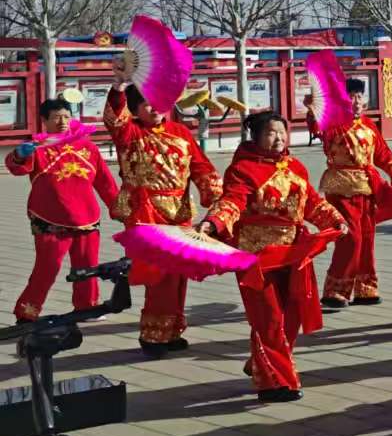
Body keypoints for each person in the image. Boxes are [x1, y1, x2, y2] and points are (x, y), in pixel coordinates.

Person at [201, 112, 346, 401]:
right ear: (256, 137)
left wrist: (335, 220)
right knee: (267, 317)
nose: (279, 138)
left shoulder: (295, 166)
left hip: (293, 253)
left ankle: (261, 362)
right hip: (256, 256)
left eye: (282, 132)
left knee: (292, 314)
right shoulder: (242, 169)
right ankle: (274, 382)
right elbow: (232, 201)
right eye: (271, 133)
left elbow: (312, 203)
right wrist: (213, 222)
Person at [104, 83, 222, 356]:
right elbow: (114, 119)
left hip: (178, 212)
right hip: (145, 212)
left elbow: (200, 166)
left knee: (178, 273)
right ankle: (153, 335)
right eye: (146, 103)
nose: (154, 108)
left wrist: (214, 193)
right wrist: (118, 88)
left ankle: (171, 330)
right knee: (158, 274)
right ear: (135, 109)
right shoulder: (130, 132)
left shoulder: (180, 132)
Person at [306, 79, 392, 308]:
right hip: (341, 189)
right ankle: (335, 289)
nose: (356, 101)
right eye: (351, 96)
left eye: (359, 96)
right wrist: (313, 109)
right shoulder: (333, 123)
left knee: (366, 238)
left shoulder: (368, 125)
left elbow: (384, 156)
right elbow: (318, 127)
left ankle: (365, 288)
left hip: (367, 189)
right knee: (350, 238)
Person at [9, 98, 119, 322]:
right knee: (47, 268)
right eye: (56, 117)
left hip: (87, 217)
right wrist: (19, 155)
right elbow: (17, 169)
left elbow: (106, 183)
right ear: (44, 120)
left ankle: (86, 307)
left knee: (87, 266)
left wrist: (121, 209)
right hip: (49, 217)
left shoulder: (88, 147)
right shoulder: (37, 147)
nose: (62, 122)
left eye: (67, 117)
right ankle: (26, 313)